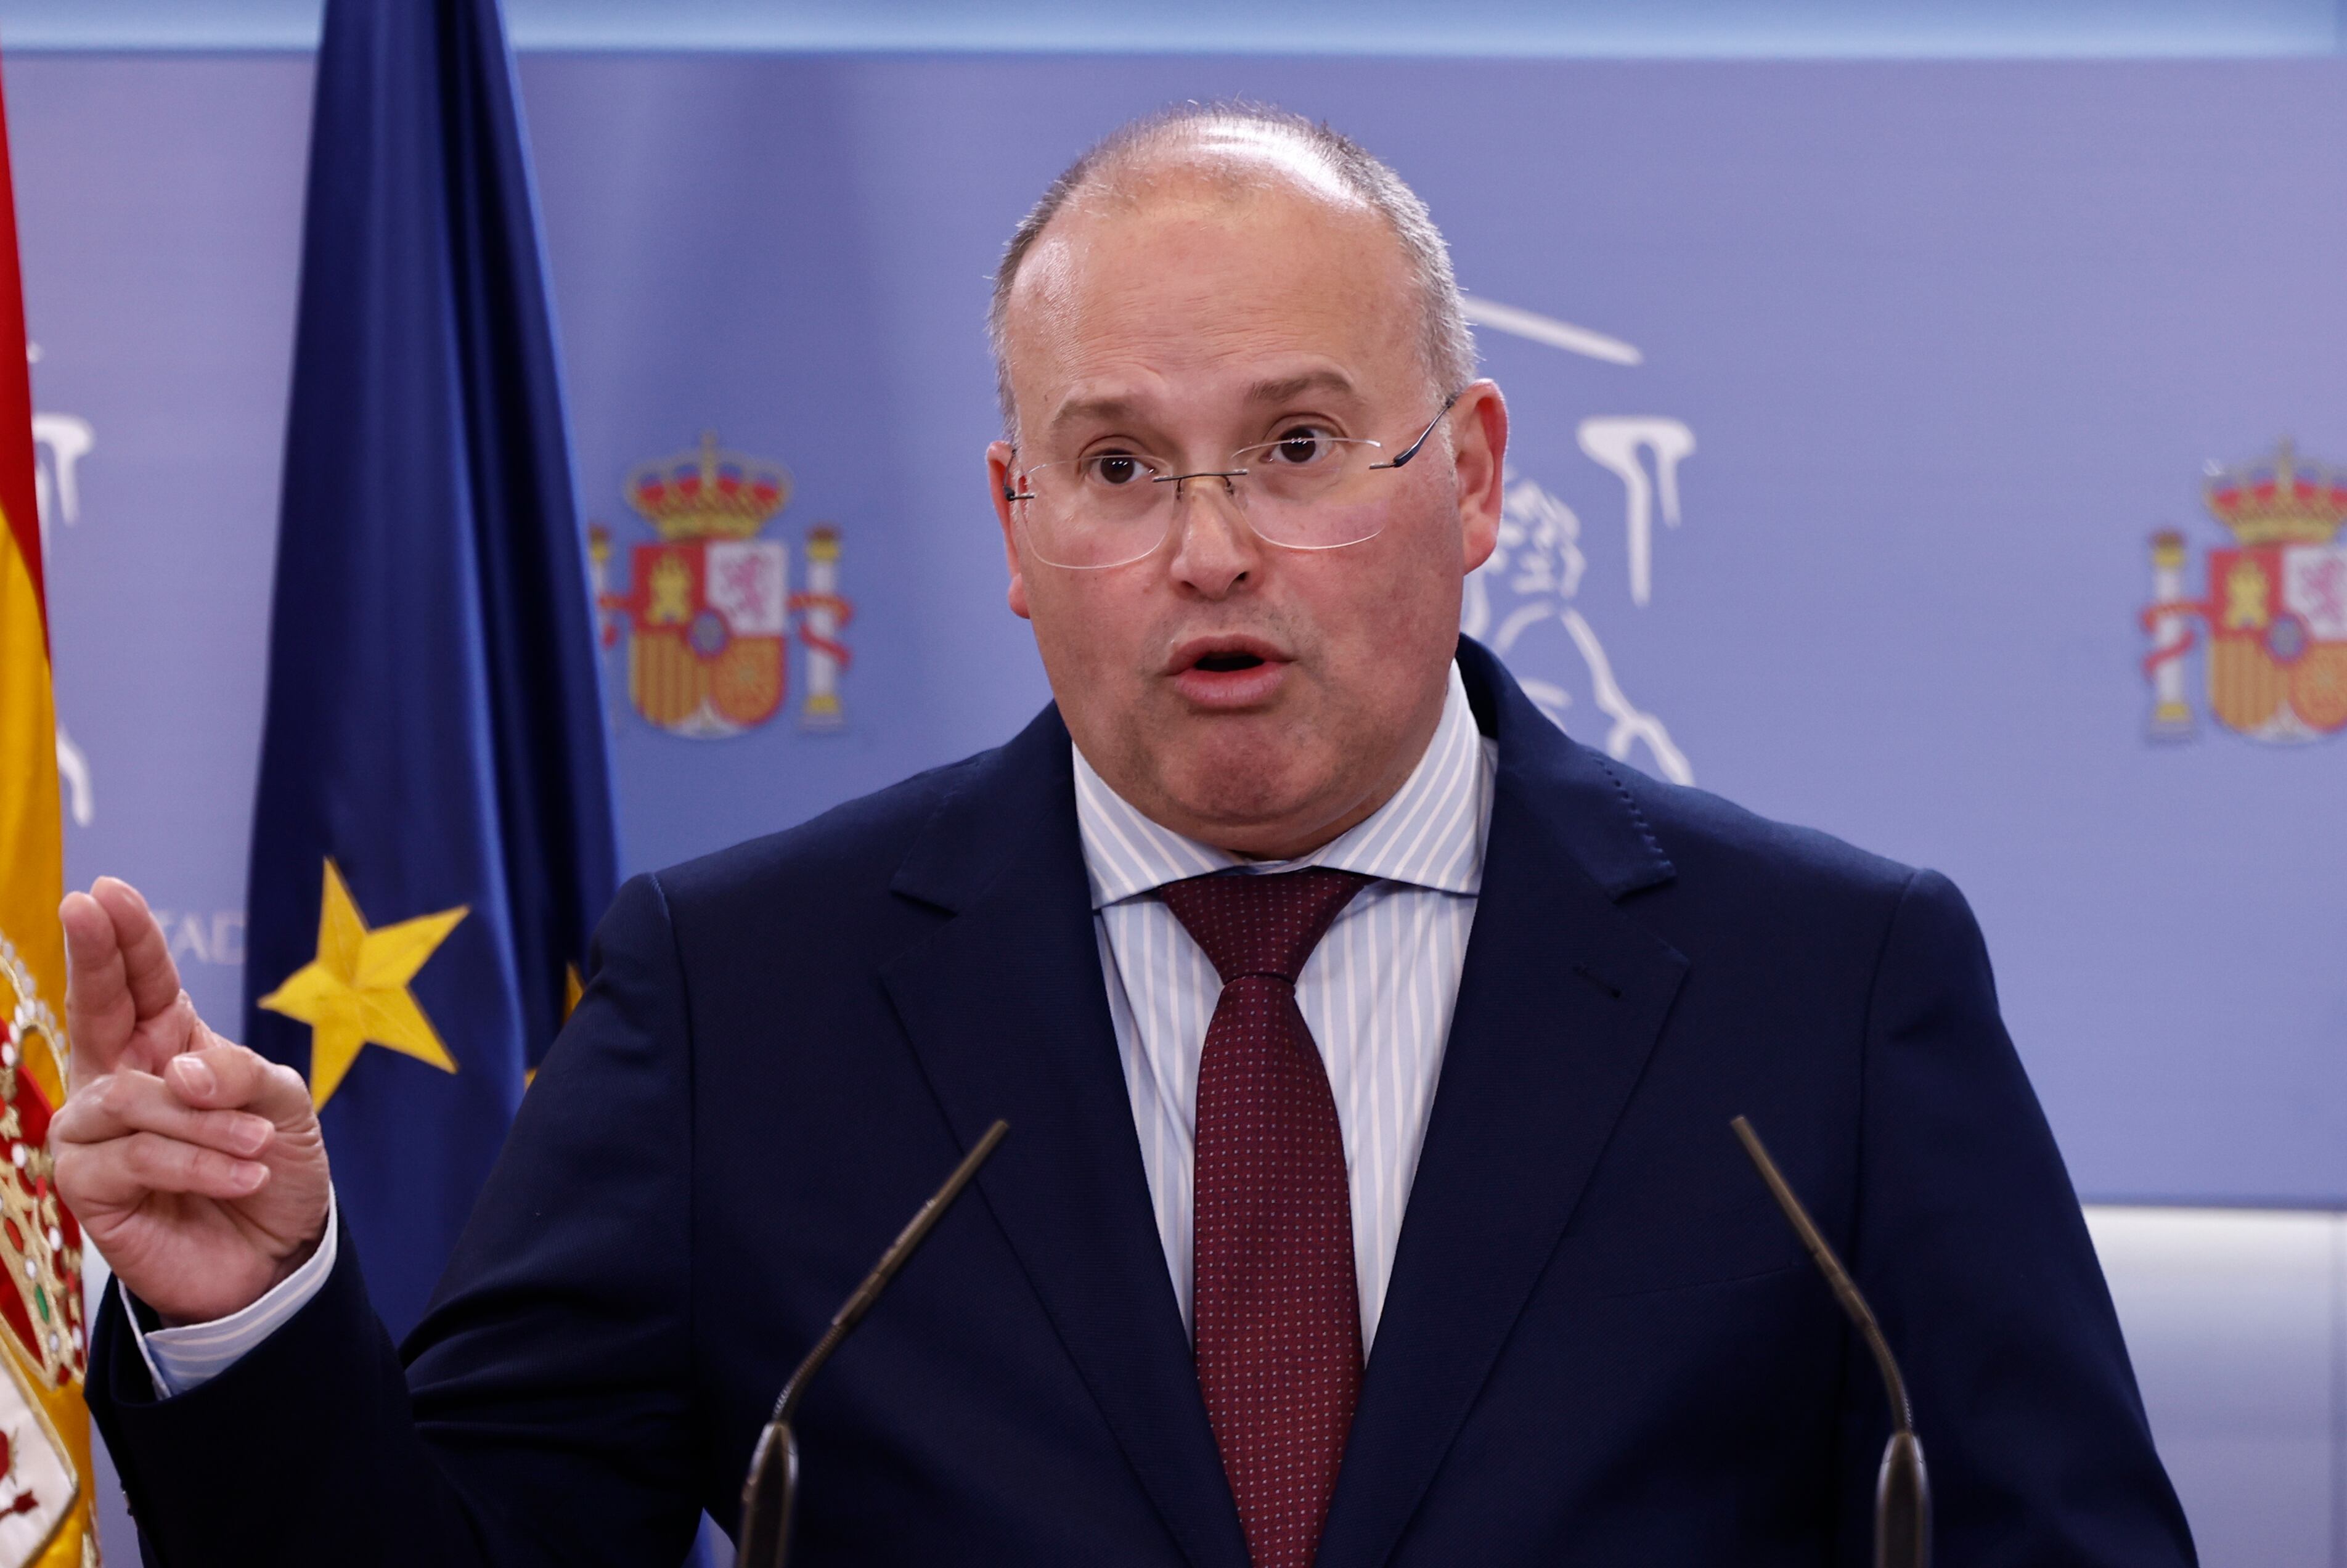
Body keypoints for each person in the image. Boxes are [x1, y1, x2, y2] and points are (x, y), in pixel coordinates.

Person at [56, 104, 2193, 1567]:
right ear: (1014, 522)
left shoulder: (1820, 991)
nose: (1209, 551)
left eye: (1293, 446)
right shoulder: (747, 1001)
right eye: (1117, 466)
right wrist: (256, 1319)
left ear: (1475, 474)